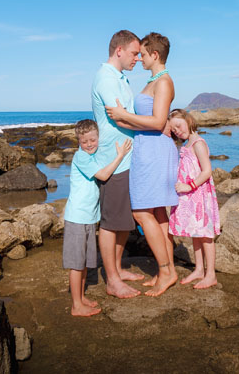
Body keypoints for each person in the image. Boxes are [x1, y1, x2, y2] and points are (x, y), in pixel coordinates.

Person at [105, 32, 179, 297]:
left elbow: (159, 122)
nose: (140, 58)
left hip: (155, 152)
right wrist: (121, 121)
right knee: (158, 214)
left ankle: (167, 270)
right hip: (148, 148)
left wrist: (125, 115)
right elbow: (146, 120)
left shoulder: (164, 82)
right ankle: (165, 271)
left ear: (155, 55)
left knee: (141, 213)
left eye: (144, 54)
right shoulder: (155, 81)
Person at [91, 29, 144, 299]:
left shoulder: (120, 78)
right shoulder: (107, 78)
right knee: (111, 222)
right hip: (114, 160)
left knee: (124, 221)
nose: (138, 58)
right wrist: (158, 125)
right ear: (119, 50)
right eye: (134, 53)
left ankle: (118, 269)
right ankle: (112, 280)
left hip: (127, 158)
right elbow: (121, 119)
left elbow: (127, 116)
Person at [63, 119, 133, 316]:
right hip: (77, 217)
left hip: (88, 218)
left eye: (93, 140)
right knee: (77, 264)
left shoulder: (91, 157)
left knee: (84, 262)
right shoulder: (81, 157)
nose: (89, 144)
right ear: (78, 142)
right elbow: (103, 175)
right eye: (85, 142)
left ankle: (81, 297)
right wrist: (120, 156)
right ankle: (76, 305)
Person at [167, 109, 220, 289]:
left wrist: (189, 186)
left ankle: (210, 274)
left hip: (199, 195)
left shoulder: (198, 143)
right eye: (173, 129)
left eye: (179, 125)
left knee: (205, 235)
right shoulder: (187, 143)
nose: (177, 131)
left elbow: (207, 171)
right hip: (191, 197)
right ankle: (199, 270)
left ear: (188, 120)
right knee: (195, 233)